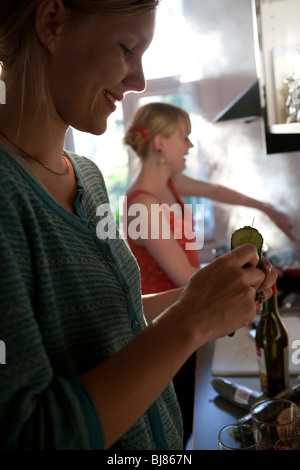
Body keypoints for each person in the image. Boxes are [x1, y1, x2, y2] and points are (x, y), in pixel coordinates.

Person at [0, 0, 277, 451]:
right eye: (129, 48)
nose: (140, 80)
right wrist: (191, 320)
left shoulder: (86, 176)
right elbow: (30, 435)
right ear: (51, 23)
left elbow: (116, 318)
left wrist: (203, 295)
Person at [123, 102, 294, 294]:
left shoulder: (170, 183)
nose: (190, 145)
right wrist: (246, 273)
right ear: (159, 143)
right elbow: (185, 277)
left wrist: (267, 208)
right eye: (185, 137)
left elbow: (216, 191)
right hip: (167, 318)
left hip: (185, 308)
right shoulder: (143, 205)